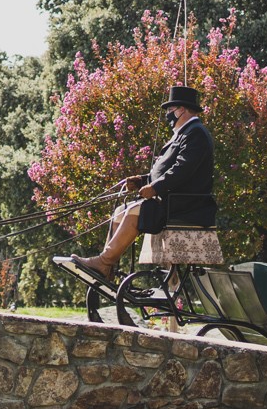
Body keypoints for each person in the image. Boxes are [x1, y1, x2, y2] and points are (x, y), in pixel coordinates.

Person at [70, 85, 216, 278]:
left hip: (186, 204)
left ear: (181, 109)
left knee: (132, 211)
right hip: (172, 200)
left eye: (170, 110)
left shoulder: (195, 133)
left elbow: (182, 170)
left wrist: (155, 188)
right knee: (119, 211)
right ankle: (107, 265)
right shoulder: (184, 133)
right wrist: (141, 181)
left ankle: (104, 262)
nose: (168, 115)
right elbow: (166, 171)